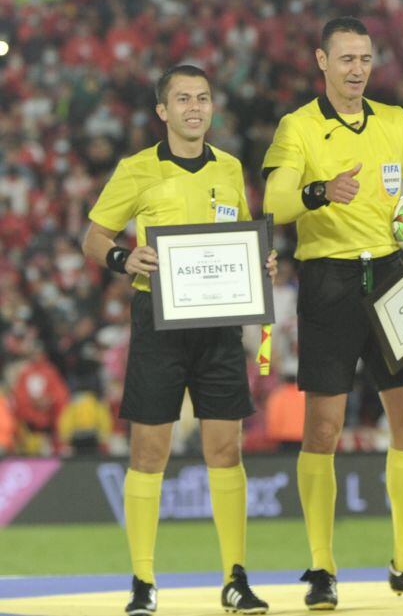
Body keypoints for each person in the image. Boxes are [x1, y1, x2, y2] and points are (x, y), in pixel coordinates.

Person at [262, 17, 403, 609]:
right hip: (330, 281)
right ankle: (321, 568)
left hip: (393, 277)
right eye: (346, 59)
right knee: (323, 429)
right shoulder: (298, 127)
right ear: (321, 62)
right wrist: (319, 191)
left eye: (365, 59)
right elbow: (274, 202)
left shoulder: (394, 121)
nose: (357, 69)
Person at [82, 65, 273, 615]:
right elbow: (94, 237)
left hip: (218, 325)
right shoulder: (136, 169)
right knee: (149, 452)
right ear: (162, 111)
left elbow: (239, 238)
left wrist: (261, 264)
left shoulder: (232, 168)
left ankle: (235, 578)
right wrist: (123, 256)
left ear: (213, 108)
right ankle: (142, 582)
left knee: (225, 449)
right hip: (158, 321)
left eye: (203, 98)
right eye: (183, 99)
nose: (195, 107)